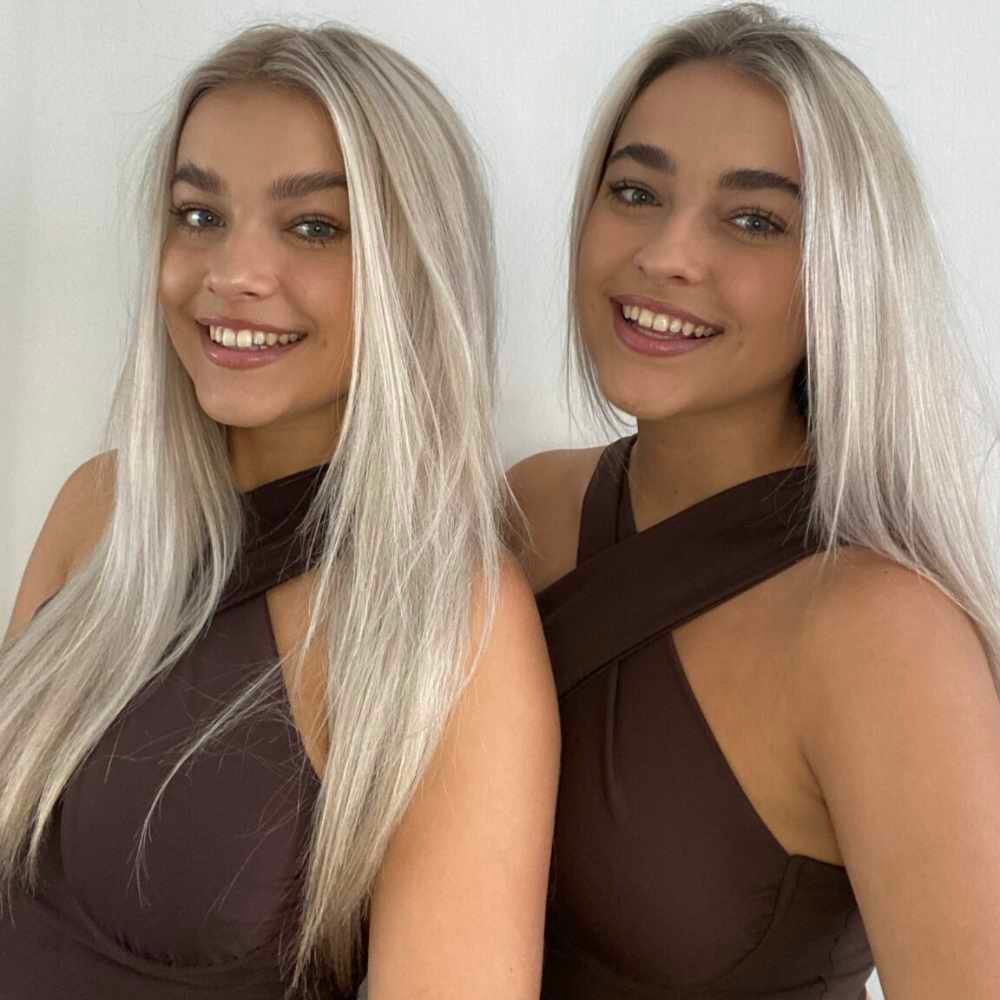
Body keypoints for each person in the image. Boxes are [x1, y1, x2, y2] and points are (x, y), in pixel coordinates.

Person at [1, 21, 559, 999]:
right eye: (199, 215)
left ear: (413, 266)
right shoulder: (100, 506)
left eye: (313, 228)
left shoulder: (451, 616)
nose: (231, 273)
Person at [508, 3, 1000, 998]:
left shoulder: (882, 637)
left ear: (843, 274)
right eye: (635, 191)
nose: (666, 254)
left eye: (753, 220)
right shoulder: (528, 507)